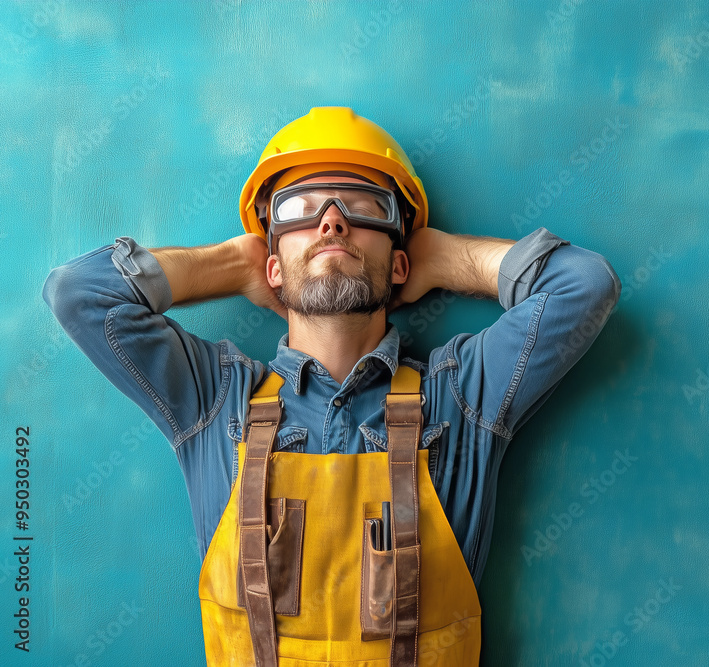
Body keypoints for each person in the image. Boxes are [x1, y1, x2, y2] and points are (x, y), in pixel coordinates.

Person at [43, 106, 621, 665]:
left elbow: (584, 285)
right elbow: (78, 293)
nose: (332, 221)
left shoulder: (462, 397)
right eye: (302, 209)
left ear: (400, 263)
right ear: (272, 266)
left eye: (366, 208)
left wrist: (444, 258)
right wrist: (231, 263)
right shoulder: (214, 401)